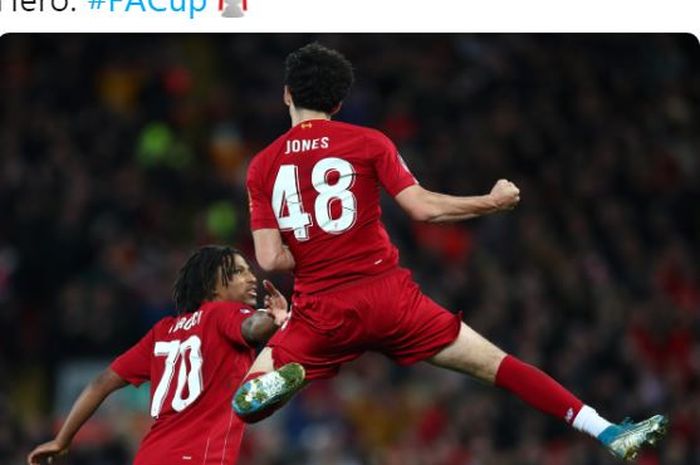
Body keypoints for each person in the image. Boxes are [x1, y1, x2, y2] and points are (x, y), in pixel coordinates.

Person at [234, 43, 668, 461]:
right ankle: (607, 431)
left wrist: (317, 250)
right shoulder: (369, 142)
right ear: (339, 104)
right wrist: (491, 202)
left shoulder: (263, 165)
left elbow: (270, 259)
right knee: (498, 365)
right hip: (389, 299)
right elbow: (422, 208)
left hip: (322, 312)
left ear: (287, 93)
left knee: (246, 398)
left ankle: (273, 383)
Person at [28, 245, 289, 465]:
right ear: (212, 286)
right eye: (239, 272)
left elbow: (100, 384)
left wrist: (62, 439)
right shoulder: (224, 313)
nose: (252, 277)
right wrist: (274, 319)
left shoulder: (162, 331)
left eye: (250, 270)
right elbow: (253, 327)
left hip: (149, 456)